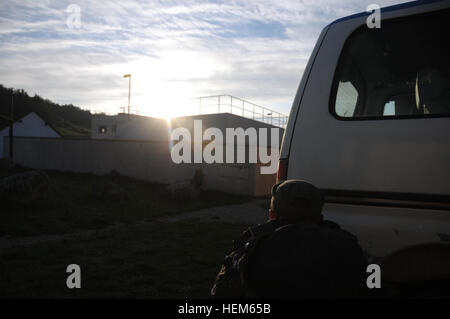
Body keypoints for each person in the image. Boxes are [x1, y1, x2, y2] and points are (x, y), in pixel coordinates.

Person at [211, 180, 368, 299]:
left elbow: (220, 293)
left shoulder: (254, 247)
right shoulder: (346, 245)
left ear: (272, 215)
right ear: (320, 216)